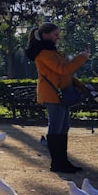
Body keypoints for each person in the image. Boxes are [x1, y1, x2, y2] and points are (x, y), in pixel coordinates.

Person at [25, 22, 91, 173]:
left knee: (63, 127)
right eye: (55, 34)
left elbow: (64, 72)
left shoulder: (49, 51)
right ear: (45, 35)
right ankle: (57, 163)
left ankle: (63, 162)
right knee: (56, 128)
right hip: (53, 94)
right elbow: (63, 69)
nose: (58, 38)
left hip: (58, 93)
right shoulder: (44, 53)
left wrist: (79, 84)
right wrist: (81, 58)